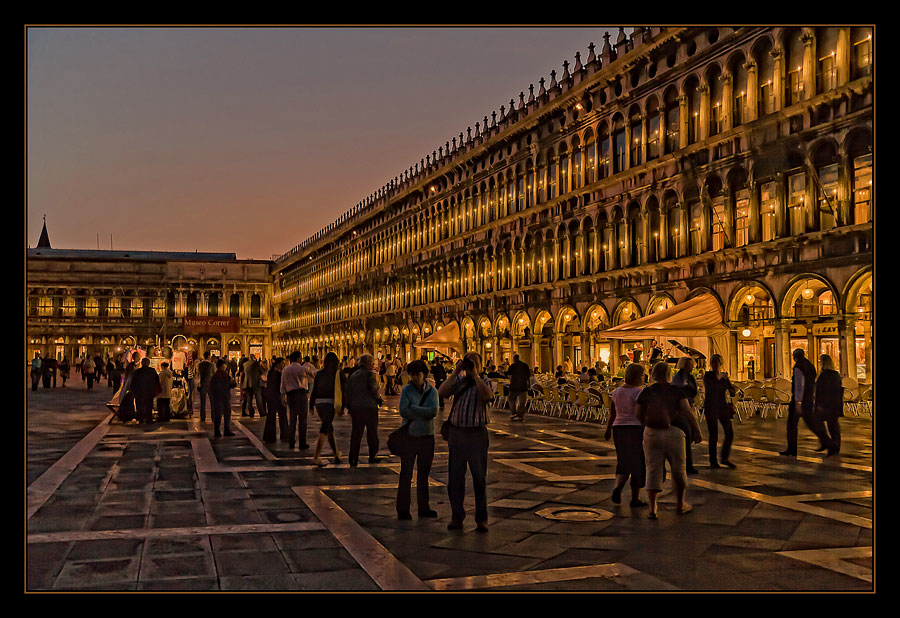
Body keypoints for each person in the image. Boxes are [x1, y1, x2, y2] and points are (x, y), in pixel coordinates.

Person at [635, 361, 703, 519]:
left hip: (651, 433)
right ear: (669, 374)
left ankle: (653, 507)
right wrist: (696, 431)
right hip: (675, 432)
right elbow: (687, 411)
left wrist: (647, 425)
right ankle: (680, 504)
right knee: (679, 468)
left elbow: (638, 413)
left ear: (653, 375)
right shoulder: (676, 391)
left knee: (652, 469)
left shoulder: (647, 391)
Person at [438, 351, 494, 532]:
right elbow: (442, 391)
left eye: (473, 363)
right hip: (457, 434)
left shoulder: (484, 382)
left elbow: (488, 396)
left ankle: (482, 519)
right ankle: (457, 516)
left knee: (479, 478)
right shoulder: (459, 382)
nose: (470, 366)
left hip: (477, 434)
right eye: (468, 363)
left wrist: (475, 375)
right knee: (455, 478)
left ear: (480, 366)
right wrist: (455, 372)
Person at [397, 359, 439, 520]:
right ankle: (403, 509)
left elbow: (433, 411)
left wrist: (413, 408)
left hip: (427, 437)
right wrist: (423, 411)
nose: (414, 378)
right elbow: (403, 411)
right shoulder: (406, 390)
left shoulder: (432, 392)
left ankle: (424, 507)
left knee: (424, 473)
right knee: (406, 473)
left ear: (425, 375)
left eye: (418, 374)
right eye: (412, 375)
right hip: (409, 437)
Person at [604, 363, 647, 508]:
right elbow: (641, 414)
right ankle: (635, 498)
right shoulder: (639, 393)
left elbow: (613, 413)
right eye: (643, 375)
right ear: (637, 377)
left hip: (618, 428)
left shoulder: (616, 392)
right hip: (634, 429)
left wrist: (608, 429)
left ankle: (618, 487)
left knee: (623, 460)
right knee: (637, 463)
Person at [346, 354, 383, 466]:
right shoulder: (370, 375)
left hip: (356, 408)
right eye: (371, 362)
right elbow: (373, 388)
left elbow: (348, 391)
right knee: (372, 433)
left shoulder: (353, 375)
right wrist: (378, 398)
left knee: (356, 434)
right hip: (369, 407)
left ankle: (353, 458)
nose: (373, 364)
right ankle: (373, 455)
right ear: (367, 363)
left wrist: (349, 406)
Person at [309, 352, 345, 466]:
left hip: (319, 403)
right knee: (325, 428)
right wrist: (343, 406)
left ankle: (336, 454)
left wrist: (311, 405)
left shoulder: (319, 373)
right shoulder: (338, 374)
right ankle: (316, 457)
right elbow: (344, 391)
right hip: (331, 403)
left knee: (329, 428)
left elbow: (314, 389)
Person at [781, 348, 818, 457]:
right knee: (812, 424)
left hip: (800, 400)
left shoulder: (798, 367)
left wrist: (798, 402)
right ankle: (827, 441)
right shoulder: (811, 366)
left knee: (791, 425)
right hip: (809, 398)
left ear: (794, 356)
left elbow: (798, 385)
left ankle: (792, 449)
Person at [702, 354, 738, 468]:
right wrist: (723, 382)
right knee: (714, 434)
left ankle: (724, 457)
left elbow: (731, 391)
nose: (715, 365)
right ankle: (713, 461)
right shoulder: (708, 376)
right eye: (714, 363)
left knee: (729, 433)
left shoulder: (724, 377)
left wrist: (733, 389)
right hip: (711, 406)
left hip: (722, 407)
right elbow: (711, 389)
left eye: (717, 363)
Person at [671, 357, 700, 474]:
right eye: (689, 365)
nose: (692, 367)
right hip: (680, 409)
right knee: (687, 434)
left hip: (689, 405)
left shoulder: (691, 378)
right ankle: (687, 464)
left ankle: (687, 463)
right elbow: (678, 392)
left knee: (689, 435)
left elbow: (694, 391)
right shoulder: (677, 378)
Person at [281, 352, 315, 450]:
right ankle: (302, 442)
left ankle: (291, 441)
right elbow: (314, 374)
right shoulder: (302, 368)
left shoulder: (285, 370)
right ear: (298, 358)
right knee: (302, 420)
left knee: (292, 418)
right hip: (301, 395)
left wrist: (282, 397)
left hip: (290, 396)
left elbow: (282, 385)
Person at [811, 354, 843, 456]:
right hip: (835, 404)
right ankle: (835, 445)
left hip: (825, 405)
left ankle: (828, 443)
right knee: (833, 425)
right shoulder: (836, 375)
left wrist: (818, 404)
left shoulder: (823, 376)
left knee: (817, 422)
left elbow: (820, 392)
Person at [263, 357, 288, 444]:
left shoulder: (271, 372)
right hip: (276, 396)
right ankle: (284, 434)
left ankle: (269, 436)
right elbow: (280, 387)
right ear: (278, 364)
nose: (284, 365)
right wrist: (283, 397)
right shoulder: (278, 374)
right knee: (282, 415)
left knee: (271, 416)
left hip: (270, 396)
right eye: (282, 363)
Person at [130, 358, 161, 425]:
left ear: (142, 363)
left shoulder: (137, 371)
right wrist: (156, 390)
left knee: (139, 406)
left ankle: (141, 419)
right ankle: (148, 419)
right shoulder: (152, 371)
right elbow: (157, 381)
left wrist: (134, 391)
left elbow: (133, 383)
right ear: (148, 363)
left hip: (139, 392)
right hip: (149, 392)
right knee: (149, 406)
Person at [210, 359, 235, 437]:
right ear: (222, 366)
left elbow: (211, 386)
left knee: (218, 415)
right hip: (224, 397)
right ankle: (226, 430)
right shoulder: (224, 374)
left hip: (217, 397)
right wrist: (233, 381)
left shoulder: (215, 375)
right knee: (227, 414)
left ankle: (217, 431)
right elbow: (231, 384)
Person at [507, 354, 532, 422]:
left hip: (514, 386)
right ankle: (520, 415)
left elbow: (508, 374)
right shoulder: (525, 365)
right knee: (522, 402)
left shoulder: (513, 366)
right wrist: (528, 384)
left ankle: (514, 413)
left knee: (511, 399)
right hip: (523, 386)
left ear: (514, 359)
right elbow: (528, 375)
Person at [197, 352, 214, 422]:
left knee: (202, 402)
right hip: (210, 384)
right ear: (208, 356)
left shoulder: (200, 365)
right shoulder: (211, 365)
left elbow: (198, 374)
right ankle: (213, 416)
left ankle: (202, 417)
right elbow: (213, 374)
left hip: (202, 384)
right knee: (212, 402)